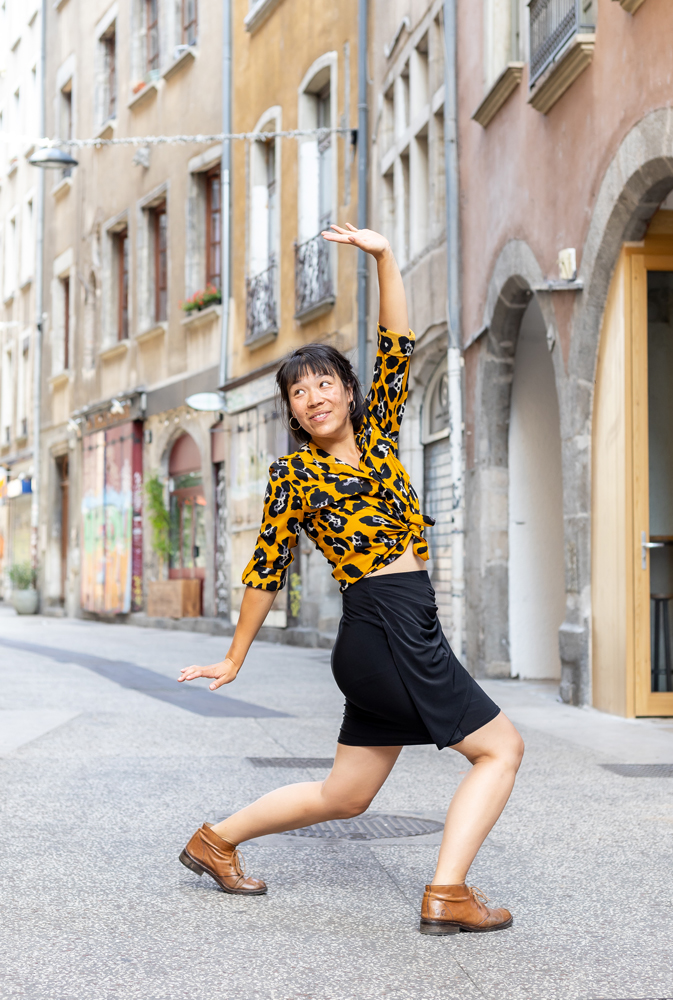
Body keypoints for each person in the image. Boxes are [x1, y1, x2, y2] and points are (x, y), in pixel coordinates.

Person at [178, 224, 524, 936]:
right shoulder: (294, 474)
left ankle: (214, 841)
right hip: (383, 625)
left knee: (346, 794)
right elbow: (266, 565)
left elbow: (395, 344)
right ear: (293, 412)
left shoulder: (381, 437)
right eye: (297, 392)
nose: (312, 398)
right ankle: (447, 893)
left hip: (396, 626)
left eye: (323, 383)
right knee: (500, 749)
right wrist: (236, 654)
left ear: (346, 390)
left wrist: (384, 256)